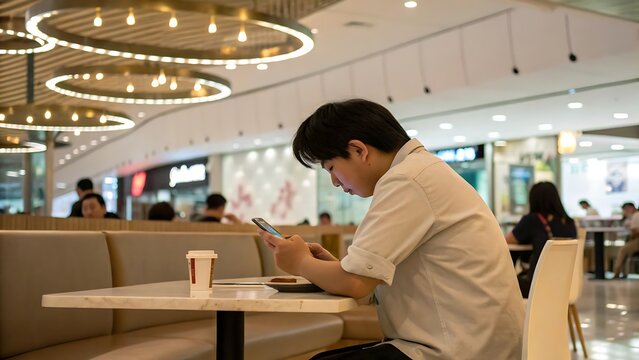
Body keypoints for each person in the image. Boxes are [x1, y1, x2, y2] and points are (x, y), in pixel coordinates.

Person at [258, 99, 523, 359]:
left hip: (457, 349)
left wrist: (300, 262)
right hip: (476, 342)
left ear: (359, 150)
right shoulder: (421, 172)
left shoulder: (407, 180)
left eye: (332, 168)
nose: (335, 182)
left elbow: (355, 283)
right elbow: (362, 279)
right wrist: (336, 268)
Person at [506, 182, 577, 297]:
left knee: (501, 283)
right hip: (564, 286)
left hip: (537, 287)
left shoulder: (532, 220)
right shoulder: (569, 222)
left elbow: (507, 240)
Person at [613, 203, 639, 279]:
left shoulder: (636, 216)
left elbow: (635, 231)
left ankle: (616, 273)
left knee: (622, 251)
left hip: (637, 240)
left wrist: (631, 239)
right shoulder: (633, 216)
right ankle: (623, 273)